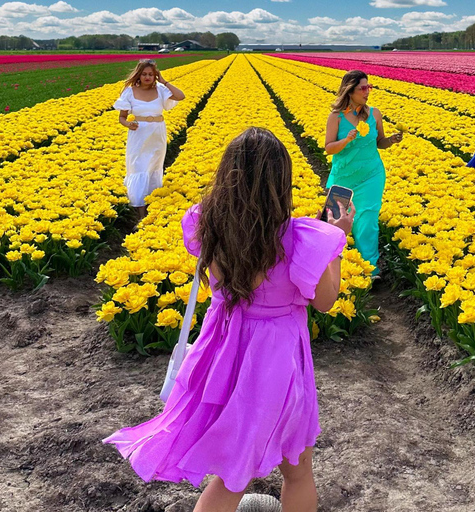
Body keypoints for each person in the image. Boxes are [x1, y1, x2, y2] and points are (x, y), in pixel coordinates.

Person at [103, 127, 356, 512]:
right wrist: (336, 240)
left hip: (224, 353)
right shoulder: (302, 238)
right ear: (280, 182)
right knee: (297, 469)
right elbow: (325, 301)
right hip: (275, 362)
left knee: (232, 471)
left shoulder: (210, 225)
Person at [325, 70, 402, 277]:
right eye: (363, 88)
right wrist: (346, 140)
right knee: (337, 223)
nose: (367, 92)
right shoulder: (336, 117)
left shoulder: (374, 113)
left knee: (367, 220)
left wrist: (391, 140)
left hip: (372, 175)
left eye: (369, 87)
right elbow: (329, 148)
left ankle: (370, 270)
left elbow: (380, 142)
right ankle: (341, 273)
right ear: (350, 90)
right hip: (343, 178)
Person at [114, 59, 185, 220]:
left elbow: (181, 96)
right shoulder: (129, 92)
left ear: (155, 76)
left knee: (153, 166)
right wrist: (128, 124)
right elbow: (122, 117)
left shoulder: (161, 90)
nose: (147, 77)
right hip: (139, 134)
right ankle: (140, 212)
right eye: (144, 74)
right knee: (139, 167)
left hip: (157, 134)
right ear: (138, 75)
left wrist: (164, 81)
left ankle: (153, 205)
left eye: (151, 74)